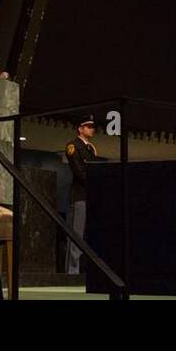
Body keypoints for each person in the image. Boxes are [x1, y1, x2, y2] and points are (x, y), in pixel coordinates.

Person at [64, 116, 99, 275]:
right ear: (80, 128)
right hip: (79, 195)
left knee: (84, 235)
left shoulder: (90, 149)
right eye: (89, 126)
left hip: (89, 196)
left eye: (93, 126)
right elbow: (79, 172)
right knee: (75, 235)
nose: (92, 128)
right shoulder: (73, 146)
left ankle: (79, 271)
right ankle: (72, 272)